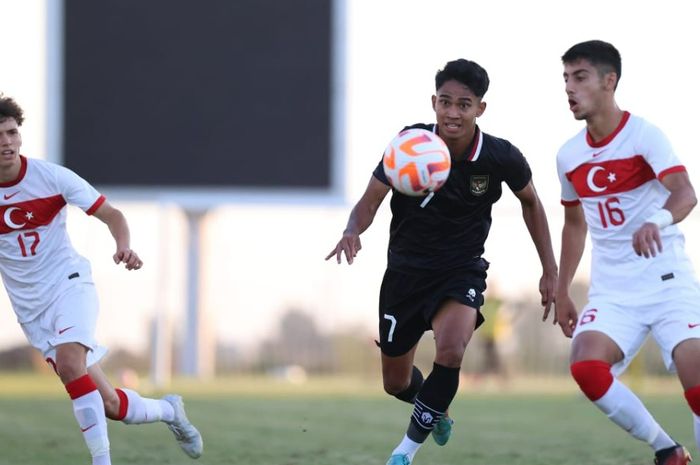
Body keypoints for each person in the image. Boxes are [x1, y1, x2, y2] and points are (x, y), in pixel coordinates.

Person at [326, 59, 558, 465]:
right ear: (434, 102)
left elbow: (532, 204)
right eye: (446, 102)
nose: (453, 113)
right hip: (404, 275)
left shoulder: (501, 157)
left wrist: (550, 269)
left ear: (480, 109)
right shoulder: (409, 144)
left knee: (451, 352)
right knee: (395, 382)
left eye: (464, 104)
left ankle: (404, 453)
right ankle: (438, 409)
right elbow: (371, 199)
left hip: (460, 271)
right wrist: (352, 230)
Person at [0, 94, 203, 464]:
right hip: (32, 310)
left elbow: (112, 215)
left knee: (70, 364)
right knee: (110, 404)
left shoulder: (51, 177)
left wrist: (124, 246)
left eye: (11, 132)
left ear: (20, 136)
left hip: (69, 284)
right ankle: (171, 411)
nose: (6, 142)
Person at [554, 40, 700, 465]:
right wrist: (563, 290)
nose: (569, 88)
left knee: (696, 381)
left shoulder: (644, 134)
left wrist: (656, 221)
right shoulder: (568, 155)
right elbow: (574, 223)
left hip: (667, 279)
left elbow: (686, 193)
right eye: (565, 78)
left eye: (579, 77)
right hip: (614, 289)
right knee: (585, 367)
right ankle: (667, 450)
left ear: (609, 81)